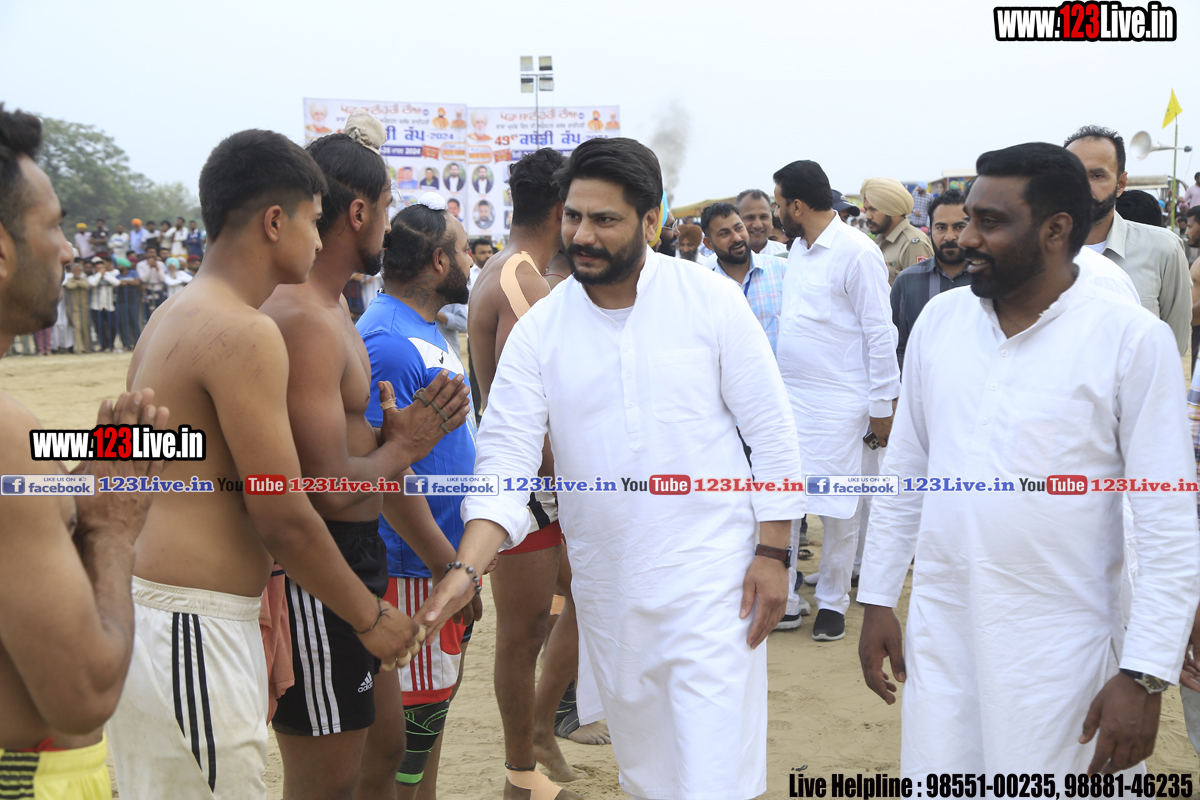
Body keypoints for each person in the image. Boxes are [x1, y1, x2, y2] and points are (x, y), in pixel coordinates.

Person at [421, 137, 804, 800]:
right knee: (650, 776)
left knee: (712, 772)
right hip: (611, 590)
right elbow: (506, 463)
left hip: (715, 582)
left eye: (604, 219)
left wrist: (774, 552)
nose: (583, 235)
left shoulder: (709, 301)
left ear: (651, 221)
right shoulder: (542, 330)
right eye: (574, 217)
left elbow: (772, 432)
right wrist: (466, 568)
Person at [858, 141, 1200, 777]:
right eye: (966, 220)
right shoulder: (940, 322)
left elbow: (1167, 519)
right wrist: (878, 596)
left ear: (1055, 230)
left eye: (989, 222)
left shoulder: (1130, 340)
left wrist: (1145, 673)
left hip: (1065, 655)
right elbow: (906, 470)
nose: (965, 238)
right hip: (945, 632)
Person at [109, 128, 425, 800]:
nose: (318, 239)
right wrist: (370, 618)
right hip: (193, 625)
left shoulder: (171, 315)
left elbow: (144, 458)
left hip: (162, 615)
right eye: (314, 220)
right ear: (275, 222)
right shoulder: (244, 331)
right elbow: (282, 511)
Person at [260, 121, 470, 800]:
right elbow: (324, 487)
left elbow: (372, 466)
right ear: (358, 213)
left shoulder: (336, 312)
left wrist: (444, 560)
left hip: (359, 561)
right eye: (384, 207)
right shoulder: (307, 318)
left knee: (383, 751)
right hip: (321, 571)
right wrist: (404, 447)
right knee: (331, 781)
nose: (388, 223)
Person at [0, 103, 170, 800]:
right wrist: (111, 528)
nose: (68, 250)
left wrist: (62, 498)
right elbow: (85, 692)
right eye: (53, 226)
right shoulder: (7, 437)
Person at [466, 149, 586, 799]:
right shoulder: (520, 280)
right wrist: (566, 476)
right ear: (562, 208)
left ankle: (539, 731)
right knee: (522, 632)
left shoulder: (507, 269)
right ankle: (522, 768)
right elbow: (523, 412)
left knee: (586, 598)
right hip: (529, 483)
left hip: (537, 481)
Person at [356, 193, 480, 800]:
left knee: (427, 725)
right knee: (406, 738)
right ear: (438, 261)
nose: (472, 260)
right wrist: (445, 563)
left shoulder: (422, 328)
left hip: (440, 562)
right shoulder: (386, 340)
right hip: (412, 568)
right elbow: (382, 471)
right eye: (465, 250)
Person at [775, 160, 899, 642]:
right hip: (792, 402)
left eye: (779, 204)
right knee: (786, 501)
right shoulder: (798, 250)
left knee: (840, 508)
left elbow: (880, 333)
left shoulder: (857, 252)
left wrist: (882, 407)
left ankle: (832, 600)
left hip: (843, 406)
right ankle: (785, 599)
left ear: (797, 206)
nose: (777, 213)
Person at [1064, 125, 1191, 354]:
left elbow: (1173, 346)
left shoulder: (1163, 249)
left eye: (1097, 176)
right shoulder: (1037, 254)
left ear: (1121, 183)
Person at [890, 188, 971, 369]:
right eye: (941, 228)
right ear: (930, 230)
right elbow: (898, 348)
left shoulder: (991, 280)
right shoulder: (907, 282)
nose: (949, 236)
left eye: (959, 227)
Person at [861, 177, 934, 284]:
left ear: (892, 210)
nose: (867, 216)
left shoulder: (913, 244)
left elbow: (920, 290)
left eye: (874, 209)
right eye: (866, 210)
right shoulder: (880, 240)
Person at [703, 190, 788, 267]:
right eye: (750, 218)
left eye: (763, 217)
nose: (757, 225)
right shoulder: (712, 265)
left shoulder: (787, 256)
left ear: (771, 220)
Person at [86, 256, 118, 352]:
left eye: (102, 268)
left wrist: (105, 275)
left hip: (109, 306)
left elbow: (117, 283)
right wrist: (100, 274)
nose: (100, 270)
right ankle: (104, 346)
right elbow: (93, 283)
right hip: (96, 306)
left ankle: (111, 345)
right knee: (100, 327)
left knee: (113, 326)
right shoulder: (92, 277)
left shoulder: (109, 276)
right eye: (98, 268)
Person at [64, 259, 91, 353]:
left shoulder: (85, 279)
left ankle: (87, 347)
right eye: (75, 270)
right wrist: (77, 283)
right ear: (72, 271)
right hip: (74, 308)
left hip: (84, 308)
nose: (77, 272)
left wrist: (77, 282)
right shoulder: (69, 279)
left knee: (85, 328)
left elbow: (86, 285)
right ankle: (80, 348)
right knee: (77, 327)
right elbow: (69, 286)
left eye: (79, 270)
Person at [114, 256, 140, 351]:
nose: (117, 266)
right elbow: (116, 285)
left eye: (119, 265)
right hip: (121, 302)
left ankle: (138, 343)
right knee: (123, 323)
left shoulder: (133, 273)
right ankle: (126, 344)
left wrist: (125, 281)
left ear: (124, 265)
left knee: (134, 322)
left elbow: (137, 282)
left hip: (132, 301)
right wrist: (122, 284)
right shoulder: (117, 275)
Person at [137, 246, 167, 320]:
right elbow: (143, 279)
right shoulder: (140, 265)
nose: (152, 254)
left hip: (159, 294)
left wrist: (156, 268)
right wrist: (150, 268)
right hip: (148, 294)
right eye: (150, 252)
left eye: (154, 252)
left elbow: (162, 279)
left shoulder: (160, 264)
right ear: (146, 254)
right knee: (149, 317)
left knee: (161, 316)